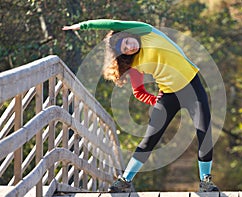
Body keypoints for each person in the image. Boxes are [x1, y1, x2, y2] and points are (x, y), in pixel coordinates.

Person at [62, 19, 219, 193]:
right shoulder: (134, 63)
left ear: (129, 34)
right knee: (149, 139)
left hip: (193, 87)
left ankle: (206, 181)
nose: (130, 48)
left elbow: (113, 23)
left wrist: (83, 25)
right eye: (125, 50)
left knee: (204, 132)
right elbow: (138, 92)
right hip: (168, 94)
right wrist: (156, 101)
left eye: (128, 43)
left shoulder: (146, 31)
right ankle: (125, 180)